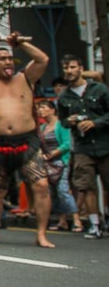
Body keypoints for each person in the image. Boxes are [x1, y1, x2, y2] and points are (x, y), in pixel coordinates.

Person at [0, 34, 53, 247]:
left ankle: (41, 234)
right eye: (2, 59)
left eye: (9, 59)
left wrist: (21, 43)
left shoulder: (25, 78)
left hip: (27, 142)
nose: (8, 62)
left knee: (41, 185)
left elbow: (43, 59)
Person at [55, 54, 109, 238]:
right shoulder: (64, 96)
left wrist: (95, 122)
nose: (69, 71)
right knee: (86, 186)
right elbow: (62, 121)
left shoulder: (99, 89)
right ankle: (95, 224)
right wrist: (69, 121)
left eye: (72, 67)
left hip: (104, 143)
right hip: (82, 146)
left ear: (81, 68)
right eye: (66, 68)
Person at [36, 99, 79, 232]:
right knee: (52, 193)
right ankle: (62, 221)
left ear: (52, 110)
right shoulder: (42, 127)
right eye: (39, 108)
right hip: (47, 164)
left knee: (63, 190)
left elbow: (67, 144)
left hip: (61, 161)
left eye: (43, 107)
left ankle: (77, 220)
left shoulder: (61, 125)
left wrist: (52, 154)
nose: (40, 110)